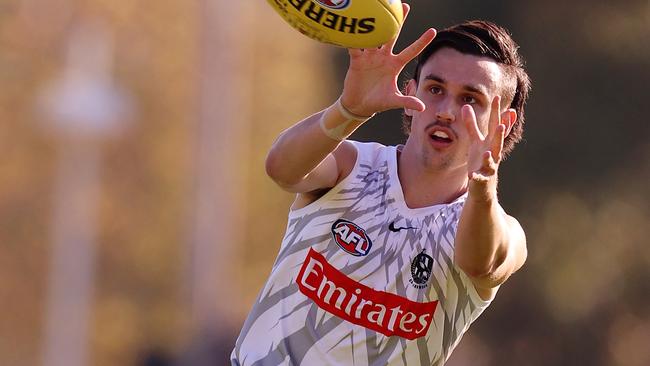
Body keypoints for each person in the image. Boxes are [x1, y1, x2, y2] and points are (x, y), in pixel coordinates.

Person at [231, 3, 531, 365]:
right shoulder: (351, 166)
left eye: (470, 99)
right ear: (411, 94)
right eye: (435, 89)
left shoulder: (501, 231)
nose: (447, 111)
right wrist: (348, 109)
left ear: (504, 121)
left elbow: (480, 262)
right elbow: (282, 169)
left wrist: (482, 183)